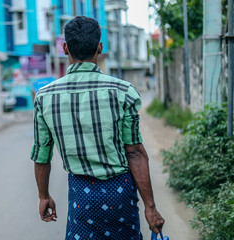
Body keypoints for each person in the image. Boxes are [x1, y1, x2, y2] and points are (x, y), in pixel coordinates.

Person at [30, 16, 165, 240]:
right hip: (120, 195)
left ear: (65, 48)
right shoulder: (124, 91)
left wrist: (43, 196)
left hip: (81, 200)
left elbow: (41, 155)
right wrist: (150, 207)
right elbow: (134, 152)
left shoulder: (44, 97)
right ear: (99, 48)